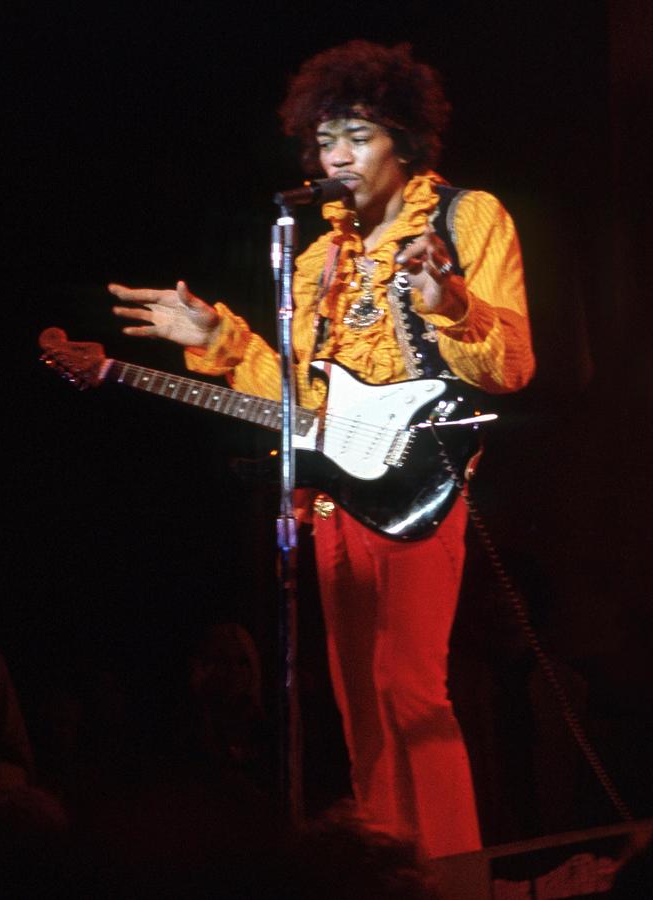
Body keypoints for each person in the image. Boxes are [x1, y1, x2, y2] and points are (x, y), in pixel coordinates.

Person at [108, 40, 535, 858]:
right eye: (326, 139)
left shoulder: (465, 216)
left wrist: (449, 300)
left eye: (360, 135)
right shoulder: (316, 259)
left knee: (409, 684)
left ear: (405, 142)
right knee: (356, 699)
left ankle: (454, 871)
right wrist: (222, 340)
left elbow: (510, 368)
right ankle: (389, 865)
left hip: (422, 479)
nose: (338, 155)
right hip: (339, 491)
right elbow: (301, 401)